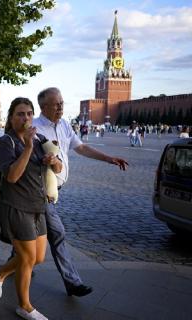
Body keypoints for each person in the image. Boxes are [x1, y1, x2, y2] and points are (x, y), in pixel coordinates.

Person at [23, 87, 129, 298]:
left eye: (62, 103)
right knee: (57, 233)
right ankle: (72, 282)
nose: (61, 107)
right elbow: (32, 166)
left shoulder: (63, 124)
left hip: (54, 191)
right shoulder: (36, 130)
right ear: (43, 107)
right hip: (41, 191)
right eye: (56, 104)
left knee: (31, 232)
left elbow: (80, 148)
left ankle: (16, 263)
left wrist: (108, 158)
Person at [0, 98, 62, 320]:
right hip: (16, 206)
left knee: (38, 258)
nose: (26, 118)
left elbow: (58, 167)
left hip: (38, 206)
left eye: (29, 114)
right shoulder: (6, 142)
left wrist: (53, 160)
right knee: (27, 258)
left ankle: (1, 271)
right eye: (20, 114)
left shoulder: (41, 139)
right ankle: (24, 306)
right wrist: (28, 147)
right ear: (11, 117)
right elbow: (12, 176)